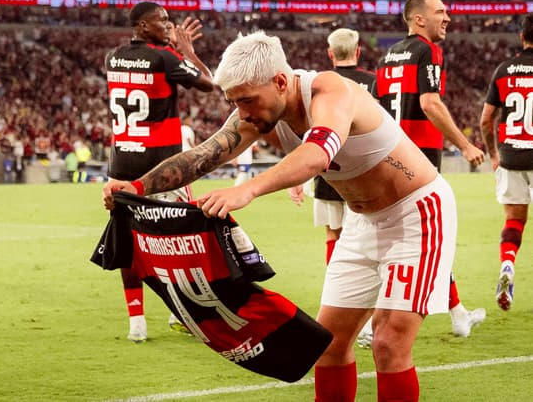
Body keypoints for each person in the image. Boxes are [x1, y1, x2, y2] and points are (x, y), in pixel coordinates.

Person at [104, 31, 458, 402]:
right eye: (235, 102)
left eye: (247, 100)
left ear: (280, 81)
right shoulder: (260, 113)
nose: (242, 112)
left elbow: (317, 155)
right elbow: (207, 154)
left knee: (388, 340)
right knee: (329, 343)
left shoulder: (330, 92)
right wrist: (138, 187)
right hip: (361, 222)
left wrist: (247, 189)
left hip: (416, 213)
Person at [373, 0, 486, 339]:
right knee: (429, 242)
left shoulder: (387, 57)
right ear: (418, 19)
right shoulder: (428, 51)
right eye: (440, 12)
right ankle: (373, 323)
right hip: (418, 162)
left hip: (386, 159)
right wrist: (465, 144)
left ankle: (457, 313)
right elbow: (430, 103)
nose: (448, 18)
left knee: (401, 243)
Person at [104, 1, 214, 342]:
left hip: (122, 162)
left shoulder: (113, 57)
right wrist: (188, 51)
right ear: (141, 27)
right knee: (179, 239)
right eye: (161, 21)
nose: (168, 25)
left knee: (127, 242)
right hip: (163, 168)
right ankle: (176, 313)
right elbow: (209, 83)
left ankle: (136, 322)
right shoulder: (164, 58)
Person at [291, 28, 375, 265]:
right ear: (358, 51)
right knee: (363, 238)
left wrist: (297, 177)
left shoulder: (316, 85)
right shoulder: (373, 82)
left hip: (328, 171)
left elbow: (306, 130)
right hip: (365, 174)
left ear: (330, 54)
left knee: (332, 236)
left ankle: (335, 292)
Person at [480, 15, 533, 311]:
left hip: (511, 156)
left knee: (514, 221)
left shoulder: (504, 70)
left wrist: (494, 154)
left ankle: (507, 267)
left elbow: (487, 120)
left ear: (522, 36)